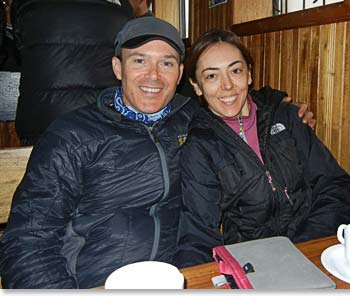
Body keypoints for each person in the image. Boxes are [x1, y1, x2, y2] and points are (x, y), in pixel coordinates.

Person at [0, 17, 315, 288]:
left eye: (165, 63)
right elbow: (28, 241)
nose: (153, 76)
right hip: (92, 280)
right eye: (139, 60)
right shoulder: (73, 135)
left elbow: (234, 92)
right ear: (117, 67)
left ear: (179, 75)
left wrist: (282, 106)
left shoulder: (192, 117)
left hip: (179, 276)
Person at [174, 29, 350, 268]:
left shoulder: (287, 117)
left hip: (315, 248)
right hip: (255, 262)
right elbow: (198, 230)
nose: (227, 86)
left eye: (235, 71)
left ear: (249, 74)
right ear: (196, 87)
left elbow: (333, 186)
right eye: (211, 76)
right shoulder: (200, 146)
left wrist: (303, 249)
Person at [11, 0, 135, 145]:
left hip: (42, 121)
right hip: (104, 121)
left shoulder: (26, 4)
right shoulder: (121, 6)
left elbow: (19, 48)